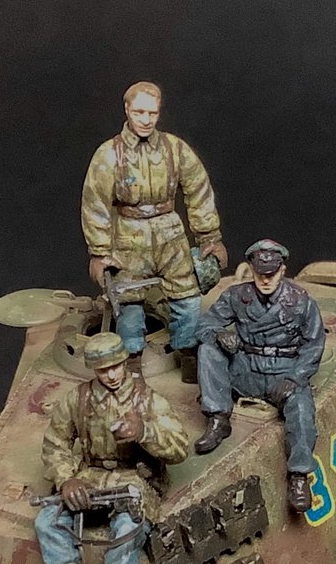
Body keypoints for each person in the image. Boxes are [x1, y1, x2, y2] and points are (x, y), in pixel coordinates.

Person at [31, 332, 190, 564]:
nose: (113, 375)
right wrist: (67, 479)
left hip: (133, 478)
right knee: (48, 520)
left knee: (129, 530)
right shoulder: (77, 400)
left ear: (125, 362)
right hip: (89, 476)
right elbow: (55, 444)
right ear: (94, 370)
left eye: (116, 366)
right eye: (104, 370)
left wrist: (144, 431)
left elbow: (179, 448)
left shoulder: (147, 399)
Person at [81, 81, 228, 383]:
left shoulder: (175, 149)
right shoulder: (109, 154)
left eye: (152, 113)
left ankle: (189, 355)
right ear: (127, 110)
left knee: (187, 296)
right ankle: (132, 361)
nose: (146, 120)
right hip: (128, 237)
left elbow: (198, 189)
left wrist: (209, 237)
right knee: (128, 301)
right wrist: (99, 252)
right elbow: (95, 203)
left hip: (170, 234)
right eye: (139, 112)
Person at [193, 239, 326, 513]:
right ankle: (218, 418)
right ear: (251, 270)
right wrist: (219, 334)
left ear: (282, 271)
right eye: (260, 273)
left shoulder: (301, 301)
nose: (265, 280)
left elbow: (314, 344)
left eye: (271, 274)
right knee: (208, 349)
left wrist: (296, 377)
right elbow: (206, 324)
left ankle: (299, 476)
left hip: (283, 371)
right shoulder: (237, 296)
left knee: (302, 410)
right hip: (246, 368)